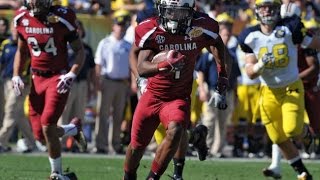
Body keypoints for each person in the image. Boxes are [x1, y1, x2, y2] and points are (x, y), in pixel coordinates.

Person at [123, 0, 232, 179]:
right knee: (137, 145)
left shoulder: (203, 25)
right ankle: (196, 138)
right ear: (160, 9)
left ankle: (163, 175)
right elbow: (139, 62)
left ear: (191, 11)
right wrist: (157, 69)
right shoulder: (150, 26)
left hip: (179, 95)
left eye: (180, 12)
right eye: (169, 11)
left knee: (175, 130)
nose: (174, 16)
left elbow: (218, 45)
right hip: (153, 93)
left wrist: (222, 78)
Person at [238, 0, 320, 179]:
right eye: (263, 7)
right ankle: (302, 172)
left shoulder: (291, 27)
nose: (267, 11)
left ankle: (305, 132)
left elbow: (315, 43)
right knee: (278, 138)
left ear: (278, 9)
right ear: (257, 11)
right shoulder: (249, 35)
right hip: (268, 91)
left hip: (291, 86)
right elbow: (250, 72)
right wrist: (260, 66)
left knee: (291, 130)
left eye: (271, 7)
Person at [13, 0, 86, 179]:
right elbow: (22, 51)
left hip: (57, 77)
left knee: (47, 125)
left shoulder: (62, 17)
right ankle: (72, 129)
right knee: (40, 135)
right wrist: (16, 74)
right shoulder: (22, 18)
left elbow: (79, 51)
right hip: (36, 78)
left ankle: (57, 173)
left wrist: (71, 74)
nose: (35, 2)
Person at [196, 25, 240, 158]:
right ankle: (205, 147)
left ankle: (217, 150)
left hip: (227, 92)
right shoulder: (209, 53)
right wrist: (202, 89)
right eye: (223, 35)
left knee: (223, 121)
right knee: (209, 119)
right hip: (212, 90)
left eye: (227, 35)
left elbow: (235, 77)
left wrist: (236, 94)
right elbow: (201, 72)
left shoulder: (231, 54)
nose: (225, 38)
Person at [93, 10, 131, 154]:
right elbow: (98, 64)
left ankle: (115, 144)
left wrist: (131, 83)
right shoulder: (105, 42)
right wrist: (98, 82)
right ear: (113, 26)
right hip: (107, 81)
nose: (121, 27)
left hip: (122, 83)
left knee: (118, 115)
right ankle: (100, 144)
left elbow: (131, 66)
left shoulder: (128, 45)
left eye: (123, 25)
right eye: (118, 25)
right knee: (102, 114)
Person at [59, 19, 95, 152]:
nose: (78, 31)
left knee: (79, 115)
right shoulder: (64, 46)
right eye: (75, 29)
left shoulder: (87, 49)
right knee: (64, 113)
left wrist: (92, 87)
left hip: (83, 83)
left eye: (80, 28)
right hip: (68, 84)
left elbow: (91, 70)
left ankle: (75, 144)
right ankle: (60, 143)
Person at [0, 21, 36, 153]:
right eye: (14, 30)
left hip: (21, 82)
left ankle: (1, 140)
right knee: (19, 114)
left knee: (10, 109)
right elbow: (2, 63)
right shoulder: (6, 44)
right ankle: (33, 142)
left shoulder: (27, 45)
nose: (16, 32)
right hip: (6, 81)